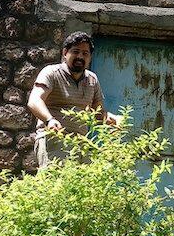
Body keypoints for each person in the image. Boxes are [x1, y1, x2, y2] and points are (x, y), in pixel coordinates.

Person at [27, 31, 121, 168]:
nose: (80, 57)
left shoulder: (92, 80)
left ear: (90, 57)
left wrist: (113, 119)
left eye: (85, 53)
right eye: (76, 51)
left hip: (81, 144)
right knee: (56, 184)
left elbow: (98, 114)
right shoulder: (51, 73)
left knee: (83, 187)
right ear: (65, 53)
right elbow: (34, 101)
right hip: (54, 140)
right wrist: (50, 120)